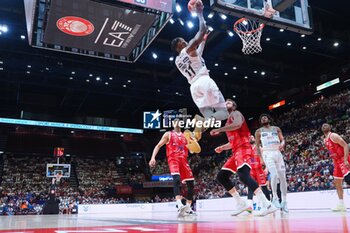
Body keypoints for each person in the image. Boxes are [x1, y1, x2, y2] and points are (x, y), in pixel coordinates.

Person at [211, 99, 277, 216]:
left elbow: (237, 124)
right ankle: (240, 203)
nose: (226, 104)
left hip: (243, 149)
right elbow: (232, 142)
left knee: (243, 176)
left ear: (234, 106)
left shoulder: (236, 114)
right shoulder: (227, 122)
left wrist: (219, 129)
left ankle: (267, 204)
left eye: (229, 102)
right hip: (236, 151)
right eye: (225, 103)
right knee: (222, 176)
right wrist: (222, 147)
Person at [171, 0, 228, 122]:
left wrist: (203, 40)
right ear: (180, 44)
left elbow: (197, 56)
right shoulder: (188, 48)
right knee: (223, 113)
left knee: (209, 117)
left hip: (194, 88)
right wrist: (200, 13)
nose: (186, 41)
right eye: (183, 41)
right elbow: (201, 31)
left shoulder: (177, 60)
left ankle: (203, 122)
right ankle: (204, 121)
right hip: (204, 81)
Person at [149, 119, 196, 217]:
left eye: (180, 121)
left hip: (184, 160)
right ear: (173, 124)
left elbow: (192, 151)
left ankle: (188, 207)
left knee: (191, 184)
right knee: (176, 180)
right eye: (176, 121)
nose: (178, 122)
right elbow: (158, 146)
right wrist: (153, 158)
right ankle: (179, 204)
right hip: (173, 159)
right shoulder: (168, 134)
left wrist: (194, 143)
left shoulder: (186, 135)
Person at [255, 114, 288, 213]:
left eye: (265, 117)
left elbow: (282, 140)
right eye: (262, 118)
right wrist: (260, 158)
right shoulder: (258, 131)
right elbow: (257, 146)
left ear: (269, 119)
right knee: (273, 175)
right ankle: (275, 198)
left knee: (282, 177)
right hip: (267, 153)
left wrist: (282, 144)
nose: (264, 119)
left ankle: (284, 202)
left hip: (277, 152)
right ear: (261, 121)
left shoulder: (276, 129)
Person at [322, 123, 350, 211]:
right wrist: (335, 165)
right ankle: (341, 204)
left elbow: (345, 145)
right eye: (323, 126)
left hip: (343, 158)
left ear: (330, 128)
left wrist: (345, 160)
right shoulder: (324, 140)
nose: (324, 126)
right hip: (337, 162)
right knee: (337, 183)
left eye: (326, 125)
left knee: (349, 180)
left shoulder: (333, 136)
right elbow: (332, 153)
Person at [247, 135, 270, 209]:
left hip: (259, 169)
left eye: (252, 137)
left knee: (264, 187)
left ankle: (268, 204)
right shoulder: (247, 149)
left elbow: (266, 158)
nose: (251, 138)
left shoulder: (259, 148)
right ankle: (249, 205)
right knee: (250, 187)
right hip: (251, 170)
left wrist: (267, 168)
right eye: (249, 138)